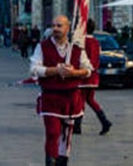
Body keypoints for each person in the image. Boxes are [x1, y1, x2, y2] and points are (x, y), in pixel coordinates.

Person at [29, 15, 92, 166]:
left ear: (67, 28)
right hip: (51, 97)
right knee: (52, 133)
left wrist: (74, 73)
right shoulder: (42, 47)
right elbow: (34, 69)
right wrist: (56, 70)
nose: (55, 29)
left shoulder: (76, 50)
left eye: (59, 26)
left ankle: (62, 162)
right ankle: (50, 162)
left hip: (70, 98)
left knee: (66, 136)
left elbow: (88, 70)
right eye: (53, 25)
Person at [75, 20, 112, 136]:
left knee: (80, 100)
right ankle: (104, 121)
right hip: (93, 75)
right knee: (90, 100)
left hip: (82, 75)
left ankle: (77, 125)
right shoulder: (96, 42)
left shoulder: (81, 42)